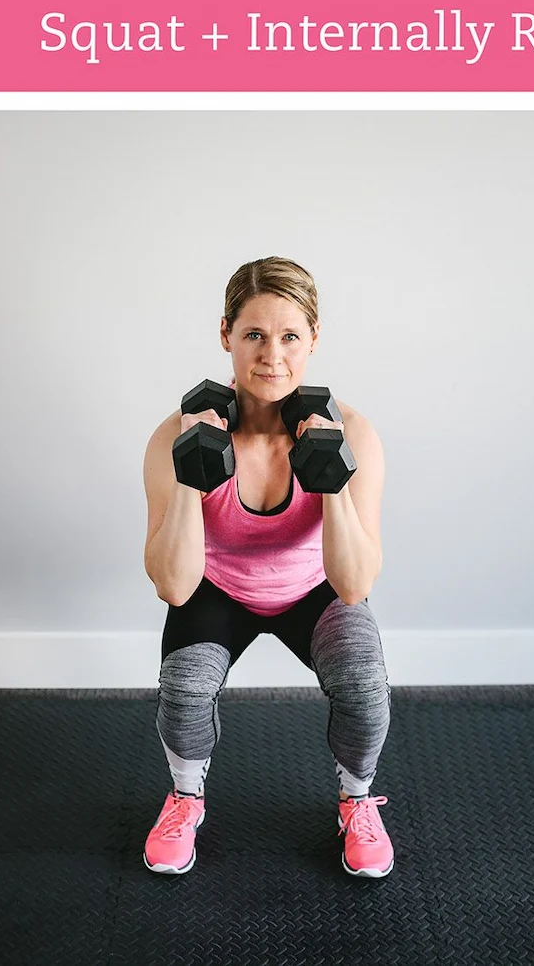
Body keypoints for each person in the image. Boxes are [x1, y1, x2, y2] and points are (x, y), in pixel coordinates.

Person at [140, 256, 393, 878]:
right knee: (185, 691)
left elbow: (354, 584)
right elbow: (174, 584)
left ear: (314, 341)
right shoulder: (176, 434)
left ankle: (356, 803)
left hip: (314, 587)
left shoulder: (354, 432)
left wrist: (331, 481)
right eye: (254, 334)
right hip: (216, 588)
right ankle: (184, 797)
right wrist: (187, 478)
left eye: (290, 337)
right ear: (225, 334)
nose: (271, 356)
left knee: (364, 686)